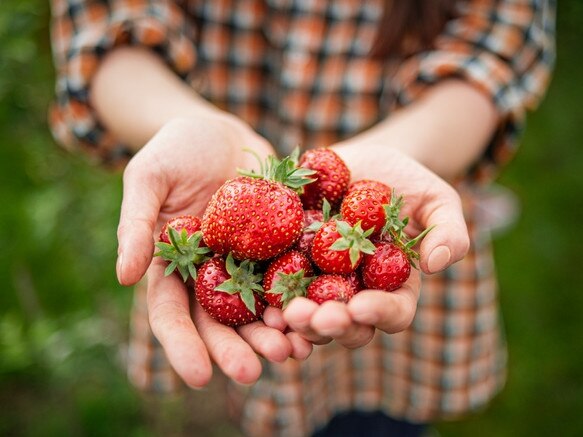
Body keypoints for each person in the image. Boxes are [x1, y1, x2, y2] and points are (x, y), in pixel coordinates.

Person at [49, 0, 555, 435]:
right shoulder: (238, 239)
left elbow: (492, 57)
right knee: (231, 396)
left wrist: (377, 172)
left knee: (375, 423)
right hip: (245, 246)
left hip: (389, 324)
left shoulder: (346, 235)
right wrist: (185, 124)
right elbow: (105, 22)